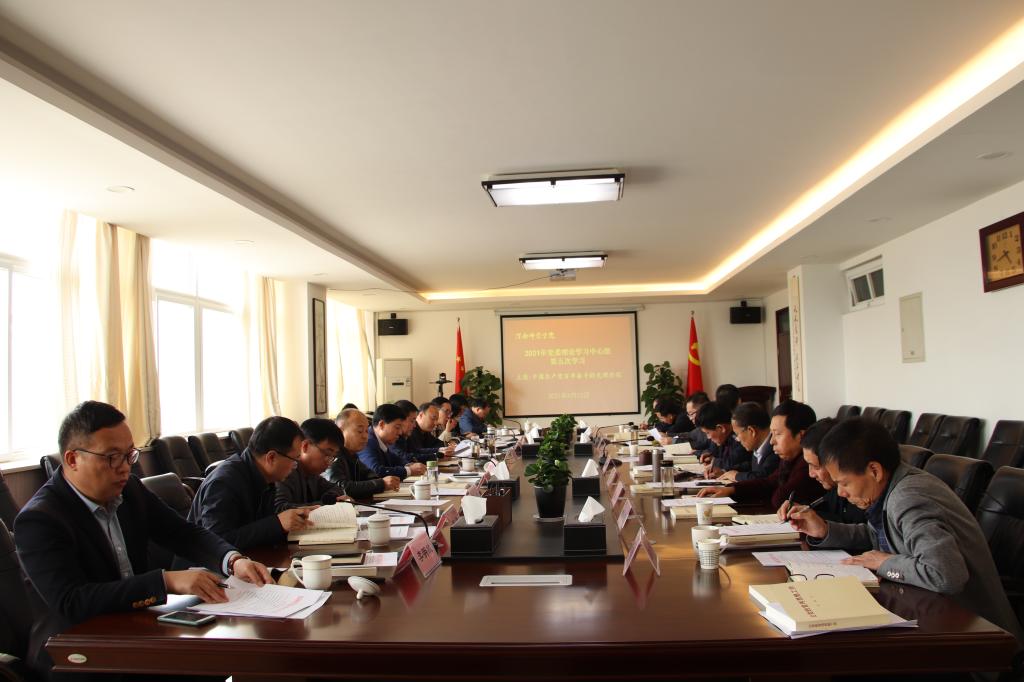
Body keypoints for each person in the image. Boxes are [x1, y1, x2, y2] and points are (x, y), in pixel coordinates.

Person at [14, 401, 271, 679]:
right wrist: (165, 581)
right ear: (73, 459)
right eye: (112, 457)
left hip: (135, 627)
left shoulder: (130, 490)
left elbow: (183, 533)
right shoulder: (40, 520)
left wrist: (233, 560)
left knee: (233, 657)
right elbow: (73, 601)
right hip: (75, 652)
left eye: (129, 455)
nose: (125, 468)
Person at [788, 417, 1023, 641]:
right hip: (936, 615)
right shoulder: (892, 487)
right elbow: (879, 535)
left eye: (844, 483)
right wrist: (825, 530)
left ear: (874, 471)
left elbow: (945, 575)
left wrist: (884, 563)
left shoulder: (908, 496)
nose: (840, 493)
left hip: (978, 636)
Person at [188, 415, 316, 550]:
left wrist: (295, 518)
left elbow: (259, 527)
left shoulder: (265, 476)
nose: (295, 466)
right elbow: (217, 541)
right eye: (295, 460)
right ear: (271, 457)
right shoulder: (224, 482)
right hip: (202, 562)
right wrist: (278, 524)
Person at [698, 400, 823, 508]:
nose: (772, 441)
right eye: (772, 434)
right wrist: (731, 489)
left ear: (801, 436)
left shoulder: (808, 464)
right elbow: (768, 482)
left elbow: (779, 499)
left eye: (778, 434)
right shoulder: (790, 458)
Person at [776, 418, 865, 524]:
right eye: (808, 465)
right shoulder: (832, 490)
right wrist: (802, 510)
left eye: (816, 467)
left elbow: (856, 527)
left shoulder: (861, 493)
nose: (811, 474)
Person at [274, 418, 351, 511]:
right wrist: (324, 504)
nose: (329, 462)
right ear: (305, 446)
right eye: (327, 454)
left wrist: (331, 498)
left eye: (333, 457)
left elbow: (336, 489)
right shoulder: (286, 470)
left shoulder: (312, 474)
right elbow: (279, 508)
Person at [327, 408, 401, 499]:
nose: (365, 436)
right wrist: (381, 483)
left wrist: (382, 481)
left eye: (366, 431)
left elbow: (369, 475)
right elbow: (340, 488)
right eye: (360, 431)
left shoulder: (352, 454)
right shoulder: (332, 456)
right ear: (340, 431)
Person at [358, 404, 426, 479]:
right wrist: (409, 470)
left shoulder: (381, 441)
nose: (400, 432)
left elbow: (396, 460)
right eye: (397, 427)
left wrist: (409, 465)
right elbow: (375, 471)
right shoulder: (367, 441)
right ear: (382, 424)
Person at [719, 401, 779, 483]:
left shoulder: (775, 448)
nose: (737, 439)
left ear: (751, 431)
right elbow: (749, 466)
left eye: (737, 434)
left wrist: (736, 476)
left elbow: (762, 477)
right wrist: (725, 471)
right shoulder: (758, 445)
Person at [694, 401, 751, 477]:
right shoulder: (722, 438)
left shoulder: (740, 439)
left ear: (721, 428)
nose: (708, 437)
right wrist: (710, 457)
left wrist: (715, 462)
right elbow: (713, 452)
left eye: (707, 433)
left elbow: (732, 462)